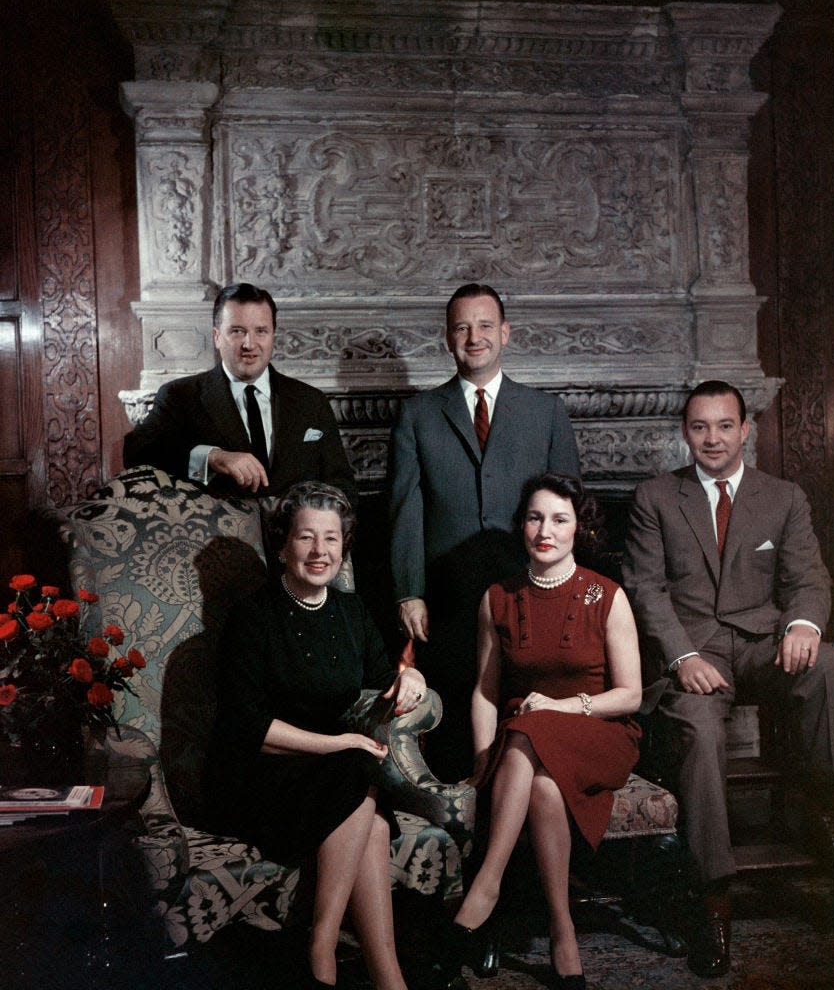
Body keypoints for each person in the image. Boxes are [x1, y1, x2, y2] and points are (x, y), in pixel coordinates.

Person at [620, 380, 834, 978]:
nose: (713, 438)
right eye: (700, 427)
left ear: (746, 430)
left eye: (725, 425)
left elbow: (808, 578)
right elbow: (646, 589)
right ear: (684, 433)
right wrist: (680, 658)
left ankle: (826, 803)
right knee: (698, 730)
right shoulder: (655, 497)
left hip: (763, 645)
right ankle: (713, 897)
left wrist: (802, 624)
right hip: (697, 653)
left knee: (826, 662)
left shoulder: (784, 497)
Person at [204, 481, 426, 989]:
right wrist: (339, 744)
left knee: (370, 820)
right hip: (258, 776)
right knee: (360, 776)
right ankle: (323, 946)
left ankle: (384, 977)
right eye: (306, 537)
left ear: (344, 547)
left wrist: (411, 676)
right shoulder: (253, 617)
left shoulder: (351, 612)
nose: (320, 551)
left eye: (331, 539)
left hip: (336, 775)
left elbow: (384, 679)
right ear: (282, 544)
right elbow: (247, 729)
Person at [441, 471, 643, 990]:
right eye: (534, 517)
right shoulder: (498, 597)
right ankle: (562, 930)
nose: (545, 529)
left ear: (581, 527)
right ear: (522, 526)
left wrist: (563, 707)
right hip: (521, 745)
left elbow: (630, 696)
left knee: (531, 725)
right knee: (544, 782)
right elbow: (486, 690)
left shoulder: (608, 595)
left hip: (599, 731)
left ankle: (486, 885)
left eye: (559, 518)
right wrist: (484, 757)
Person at [389, 283, 581, 779]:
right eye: (462, 327)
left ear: (505, 334)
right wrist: (410, 591)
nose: (474, 337)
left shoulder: (547, 413)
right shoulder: (417, 414)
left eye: (485, 326)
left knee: (528, 722)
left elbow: (568, 513)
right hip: (449, 597)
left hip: (530, 590)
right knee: (457, 726)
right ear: (448, 337)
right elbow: (405, 511)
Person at [123, 282, 356, 502]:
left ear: (273, 336)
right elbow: (136, 452)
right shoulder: (180, 396)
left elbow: (341, 485)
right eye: (237, 331)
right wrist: (212, 457)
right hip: (219, 540)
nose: (249, 344)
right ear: (216, 337)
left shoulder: (310, 401)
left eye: (261, 331)